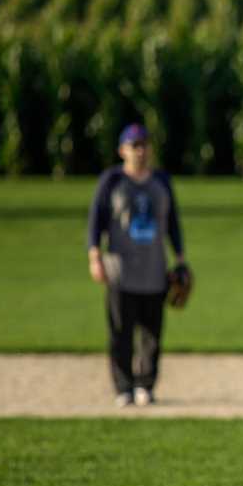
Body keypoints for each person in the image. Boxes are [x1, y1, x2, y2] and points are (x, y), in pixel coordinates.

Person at [86, 123, 186, 407]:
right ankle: (123, 387)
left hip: (154, 271)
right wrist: (95, 257)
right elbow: (96, 220)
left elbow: (173, 223)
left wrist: (179, 258)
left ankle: (146, 385)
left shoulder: (161, 181)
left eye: (144, 145)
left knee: (152, 334)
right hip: (120, 271)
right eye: (134, 145)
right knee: (121, 332)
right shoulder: (112, 181)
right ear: (122, 150)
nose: (140, 151)